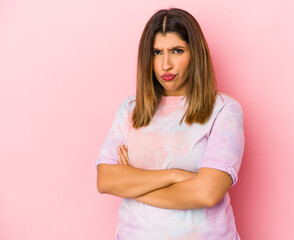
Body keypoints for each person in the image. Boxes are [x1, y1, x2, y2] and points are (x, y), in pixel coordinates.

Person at [95, 7, 245, 240]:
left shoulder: (225, 110)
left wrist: (133, 184)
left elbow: (207, 193)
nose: (166, 64)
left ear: (195, 53)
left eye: (177, 50)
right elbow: (105, 180)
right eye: (156, 52)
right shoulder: (130, 109)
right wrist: (174, 175)